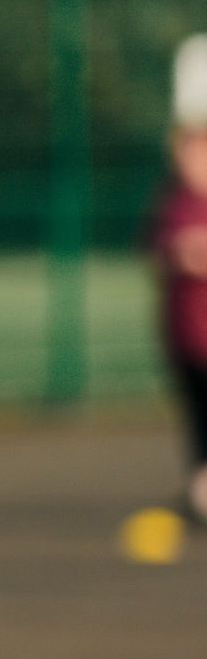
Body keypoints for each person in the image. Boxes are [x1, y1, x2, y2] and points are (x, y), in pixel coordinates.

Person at [149, 34, 207, 521]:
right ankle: (198, 490)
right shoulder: (172, 202)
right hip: (184, 336)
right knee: (195, 420)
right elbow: (160, 252)